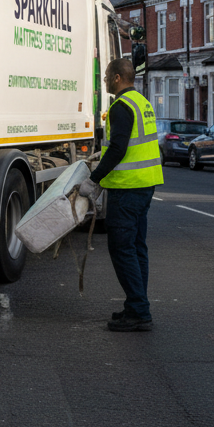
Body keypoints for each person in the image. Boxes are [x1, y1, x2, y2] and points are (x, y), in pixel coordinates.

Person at [76, 58, 164, 332]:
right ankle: (135, 304)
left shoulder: (120, 106)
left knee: (122, 249)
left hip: (126, 189)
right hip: (145, 185)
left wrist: (94, 179)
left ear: (116, 78)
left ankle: (139, 311)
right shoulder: (143, 102)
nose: (103, 80)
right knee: (137, 248)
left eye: (105, 76)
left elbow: (119, 149)